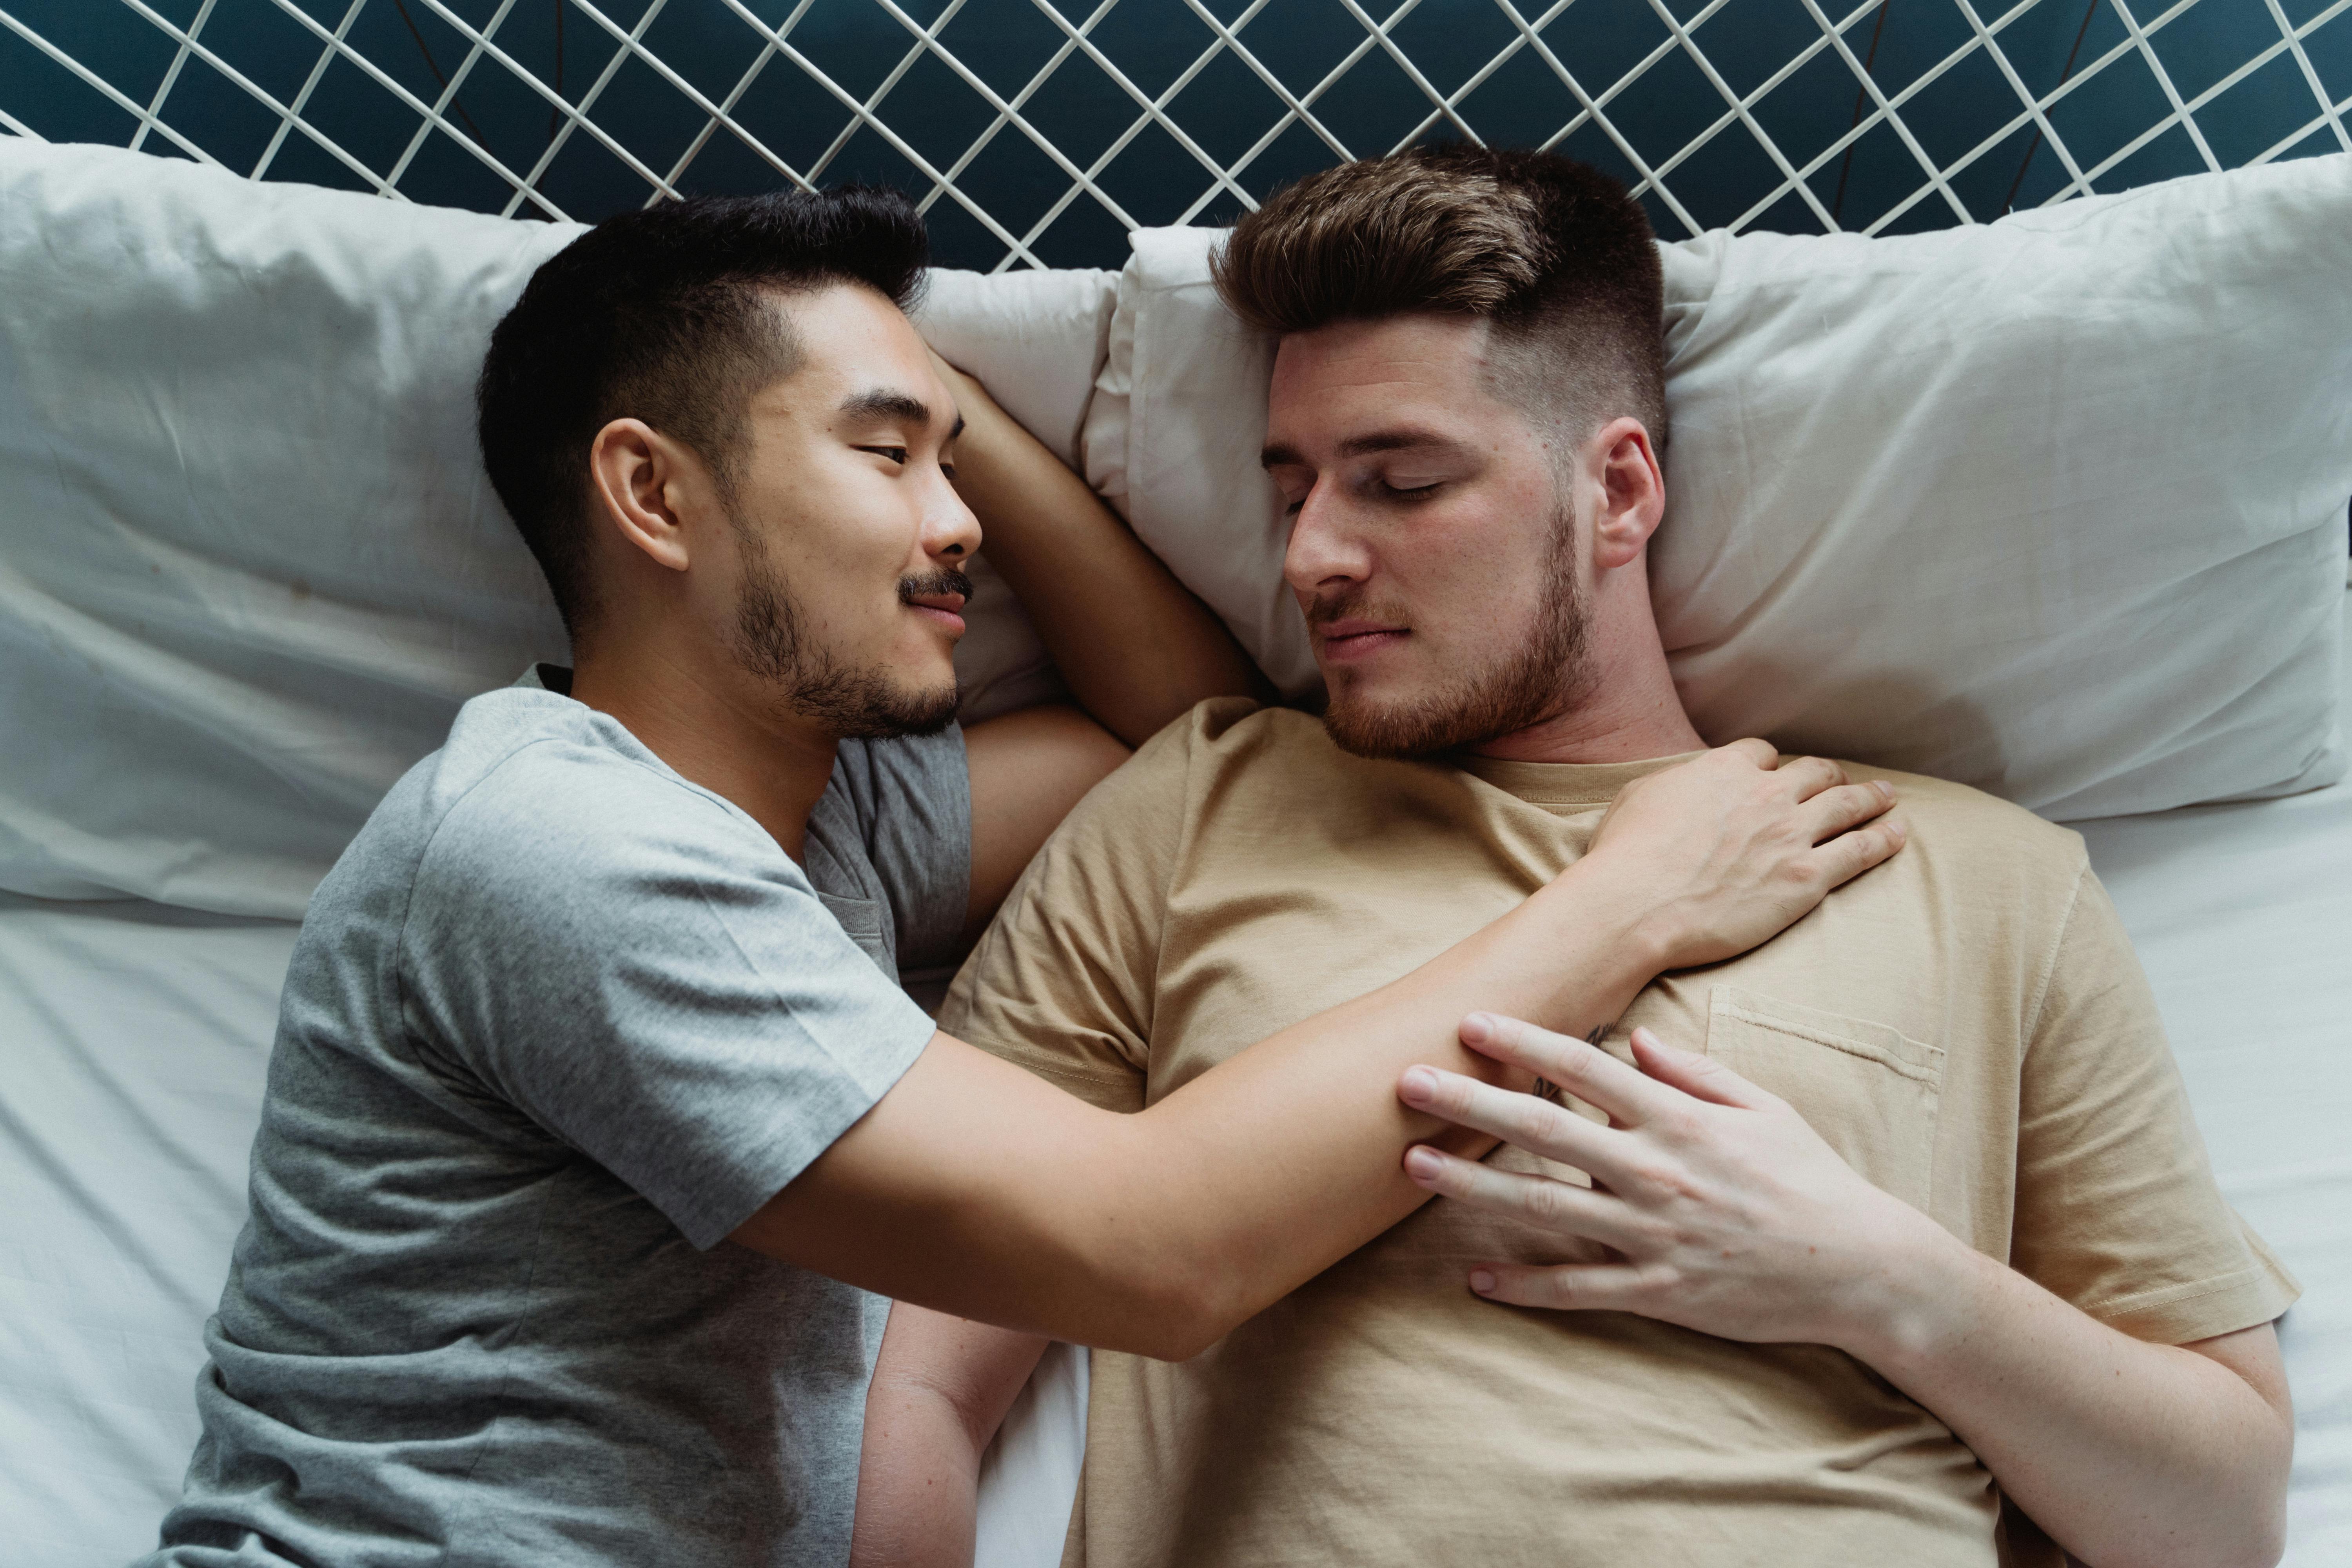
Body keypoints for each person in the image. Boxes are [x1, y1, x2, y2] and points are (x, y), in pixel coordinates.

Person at [144, 188, 1903, 1568]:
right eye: (884, 453)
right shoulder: (551, 848)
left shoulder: (823, 817)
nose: (959, 517)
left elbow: (1190, 729)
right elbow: (1151, 1250)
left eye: (951, 459)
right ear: (652, 497)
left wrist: (949, 399)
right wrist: (1627, 899)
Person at [857, 148, 2299, 1568]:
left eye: (1401, 482)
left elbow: (2221, 1525)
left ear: (1616, 493)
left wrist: (1876, 1279)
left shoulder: (1980, 875)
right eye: (1291, 489)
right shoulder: (1196, 806)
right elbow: (912, 1377)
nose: (1311, 558)